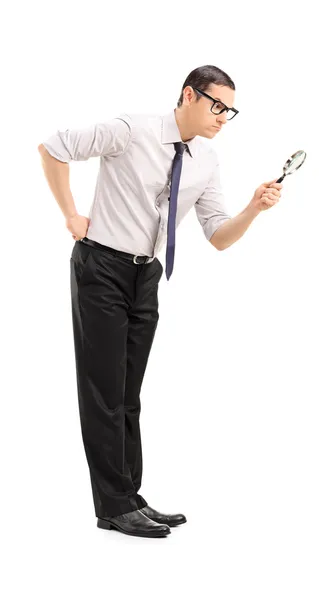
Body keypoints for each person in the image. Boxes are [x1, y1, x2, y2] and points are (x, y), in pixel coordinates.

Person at [38, 64, 282, 539]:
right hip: (101, 267)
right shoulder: (132, 129)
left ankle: (130, 497)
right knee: (103, 393)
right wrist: (71, 215)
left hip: (145, 276)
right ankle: (111, 505)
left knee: (128, 395)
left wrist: (253, 208)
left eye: (230, 111)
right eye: (216, 105)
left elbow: (218, 237)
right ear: (189, 95)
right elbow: (52, 148)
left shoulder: (206, 161)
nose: (221, 117)